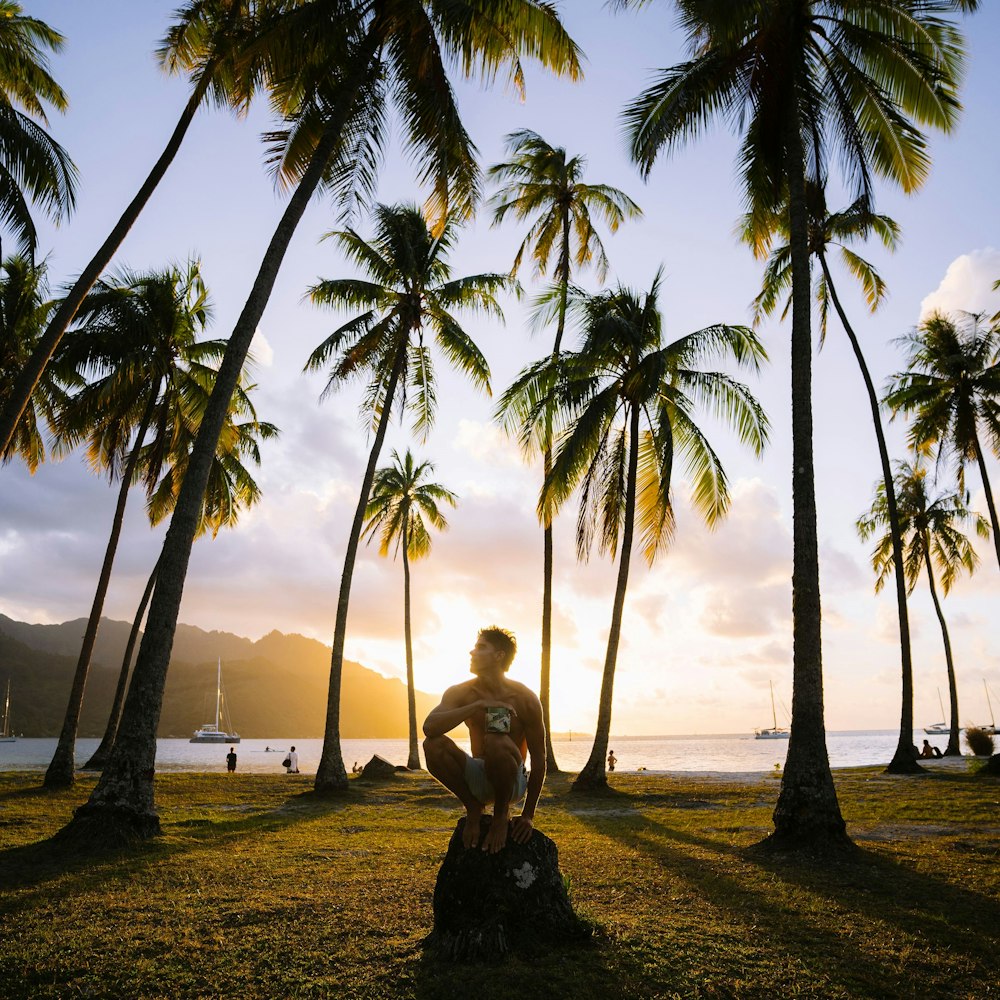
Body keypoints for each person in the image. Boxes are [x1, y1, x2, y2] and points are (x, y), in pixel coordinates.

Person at [423, 626, 545, 854]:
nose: (472, 652)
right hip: (477, 773)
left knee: (497, 740)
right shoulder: (462, 693)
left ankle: (500, 816)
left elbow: (539, 759)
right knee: (433, 745)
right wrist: (477, 706)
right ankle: (473, 807)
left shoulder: (525, 698)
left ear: (499, 655)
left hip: (511, 782)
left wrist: (528, 815)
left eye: (480, 647)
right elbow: (430, 728)